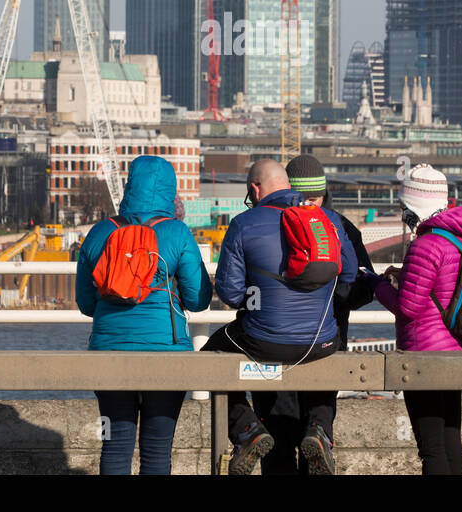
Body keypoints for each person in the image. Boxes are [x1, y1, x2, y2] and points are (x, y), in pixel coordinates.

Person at [202, 158, 357, 475]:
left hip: (264, 343)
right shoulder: (327, 219)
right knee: (333, 348)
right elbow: (350, 274)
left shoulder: (244, 224)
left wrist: (260, 296)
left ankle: (247, 430)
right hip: (321, 342)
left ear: (255, 189)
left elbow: (230, 295)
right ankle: (320, 430)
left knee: (206, 358)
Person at [75, 155, 212, 475]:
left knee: (114, 444)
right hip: (166, 356)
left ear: (129, 185)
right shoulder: (177, 233)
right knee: (157, 449)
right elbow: (198, 300)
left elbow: (85, 303)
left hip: (108, 358)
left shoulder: (99, 232)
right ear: (171, 190)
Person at [255, 154, 376, 475]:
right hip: (327, 346)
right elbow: (360, 290)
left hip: (273, 351)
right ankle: (319, 436)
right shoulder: (342, 227)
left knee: (278, 447)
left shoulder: (265, 224)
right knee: (317, 441)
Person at [372, 164, 462, 475]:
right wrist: (403, 276)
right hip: (454, 354)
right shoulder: (458, 240)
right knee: (451, 442)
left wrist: (377, 286)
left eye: (403, 205)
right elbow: (439, 289)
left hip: (425, 358)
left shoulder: (425, 244)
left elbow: (408, 307)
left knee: (431, 450)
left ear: (413, 206)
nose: (400, 211)